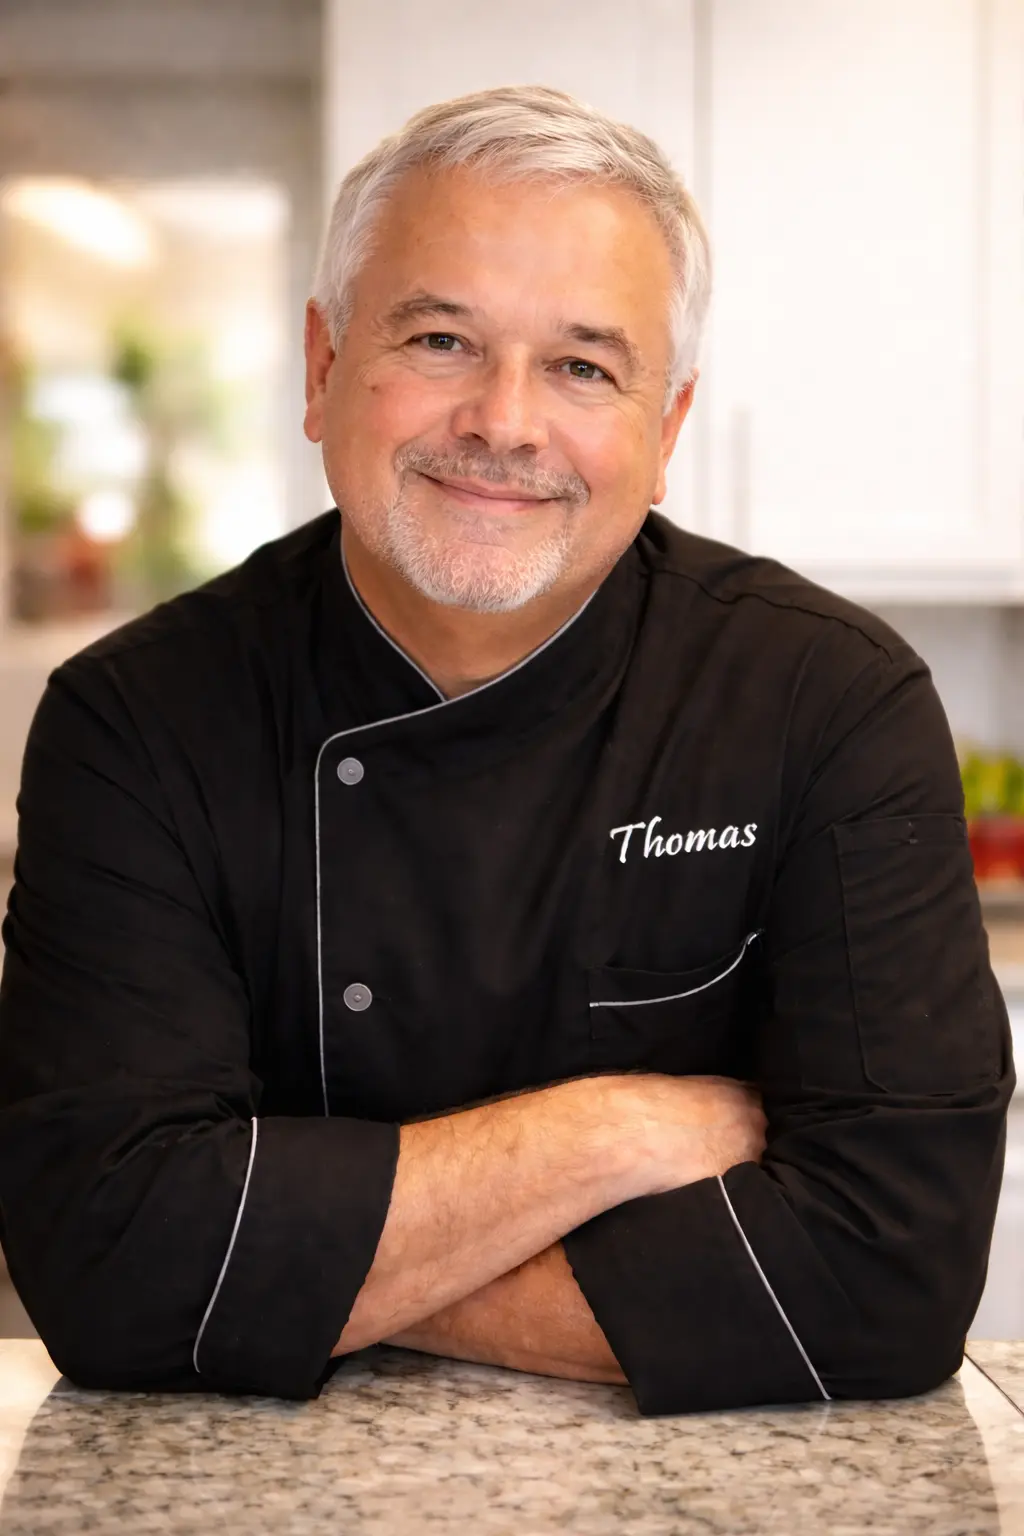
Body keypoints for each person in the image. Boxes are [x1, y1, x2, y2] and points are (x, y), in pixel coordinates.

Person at [0, 85, 1013, 1417]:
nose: (507, 422)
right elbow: (105, 1268)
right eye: (439, 339)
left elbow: (890, 1281)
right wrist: (614, 1136)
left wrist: (294, 1272)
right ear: (321, 370)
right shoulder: (136, 723)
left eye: (585, 366)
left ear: (668, 431)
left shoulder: (827, 702)